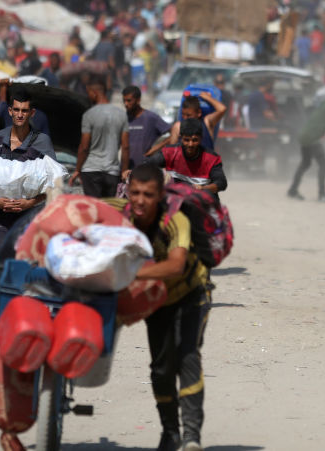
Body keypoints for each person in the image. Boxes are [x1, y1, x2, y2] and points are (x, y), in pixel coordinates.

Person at [127, 164, 211, 451]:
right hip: (157, 299)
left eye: (148, 195)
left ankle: (192, 436)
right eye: (135, 193)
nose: (140, 200)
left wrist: (131, 274)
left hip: (191, 293)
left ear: (160, 196)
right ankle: (170, 432)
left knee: (187, 357)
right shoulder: (123, 217)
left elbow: (175, 265)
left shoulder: (175, 220)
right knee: (161, 368)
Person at [0, 88, 58, 253]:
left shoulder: (42, 142)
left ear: (32, 113)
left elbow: (55, 182)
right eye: (16, 110)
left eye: (24, 111)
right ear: (10, 111)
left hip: (31, 216)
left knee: (24, 261)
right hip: (1, 215)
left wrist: (30, 203)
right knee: (3, 259)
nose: (20, 115)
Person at [73, 79, 128, 198]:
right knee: (109, 207)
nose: (88, 96)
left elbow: (84, 147)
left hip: (91, 171)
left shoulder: (89, 115)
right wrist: (124, 170)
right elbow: (125, 147)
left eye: (88, 93)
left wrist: (77, 169)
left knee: (94, 207)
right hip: (112, 172)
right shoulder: (122, 114)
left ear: (94, 93)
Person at [147, 118, 227, 195]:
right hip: (175, 199)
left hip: (202, 199)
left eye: (195, 140)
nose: (190, 144)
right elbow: (146, 166)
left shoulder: (212, 158)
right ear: (181, 138)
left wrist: (203, 189)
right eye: (186, 140)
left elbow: (221, 183)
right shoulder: (169, 152)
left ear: (201, 138)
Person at [121, 85, 170, 173]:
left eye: (129, 100)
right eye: (124, 101)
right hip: (127, 170)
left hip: (147, 169)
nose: (126, 104)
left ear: (138, 100)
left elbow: (174, 133)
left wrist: (156, 148)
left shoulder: (151, 118)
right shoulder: (123, 118)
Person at [162, 93, 227, 155]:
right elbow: (172, 152)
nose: (185, 118)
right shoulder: (178, 127)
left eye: (188, 115)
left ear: (199, 113)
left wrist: (207, 98)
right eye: (183, 114)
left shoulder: (207, 122)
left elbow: (222, 109)